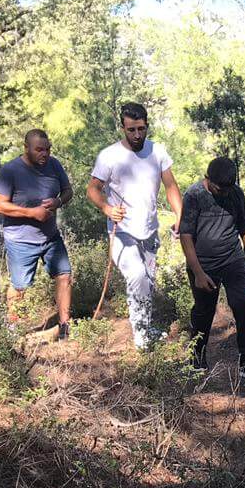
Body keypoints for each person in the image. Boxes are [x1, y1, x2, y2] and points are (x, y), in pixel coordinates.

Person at [87, 102, 184, 351]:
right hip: (122, 232)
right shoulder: (109, 156)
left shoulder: (157, 151)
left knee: (147, 281)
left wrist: (180, 215)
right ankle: (142, 339)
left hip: (149, 229)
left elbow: (171, 186)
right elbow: (93, 189)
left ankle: (145, 325)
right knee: (137, 275)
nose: (137, 134)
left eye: (141, 128)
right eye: (131, 130)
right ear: (123, 128)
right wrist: (107, 208)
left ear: (147, 125)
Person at [178, 157, 245, 378]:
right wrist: (198, 273)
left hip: (232, 259)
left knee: (244, 304)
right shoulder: (194, 195)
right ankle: (196, 358)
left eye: (228, 188)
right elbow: (186, 236)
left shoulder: (235, 193)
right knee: (204, 310)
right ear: (208, 179)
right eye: (220, 188)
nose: (224, 193)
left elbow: (244, 227)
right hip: (203, 264)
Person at [0, 130, 74, 338]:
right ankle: (12, 332)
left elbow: (68, 191)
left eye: (47, 149)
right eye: (39, 150)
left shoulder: (54, 165)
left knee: (64, 276)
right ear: (26, 148)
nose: (44, 154)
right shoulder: (11, 170)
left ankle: (65, 327)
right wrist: (31, 213)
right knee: (20, 287)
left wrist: (58, 201)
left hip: (50, 237)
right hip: (21, 240)